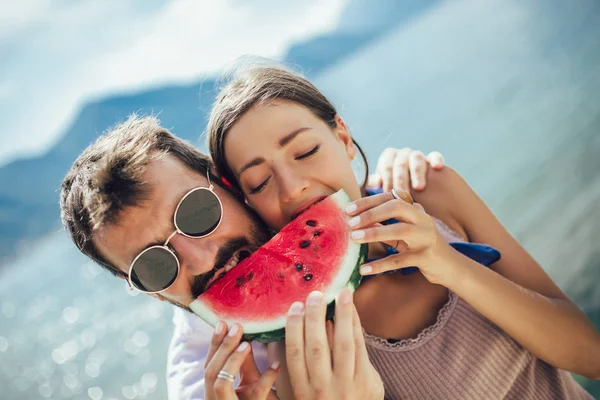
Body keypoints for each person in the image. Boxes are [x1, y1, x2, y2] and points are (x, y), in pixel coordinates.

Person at [205, 63, 600, 399]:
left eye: (306, 152)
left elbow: (591, 356)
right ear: (249, 204)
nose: (293, 188)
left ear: (342, 138)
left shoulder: (432, 191)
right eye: (258, 183)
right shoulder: (301, 339)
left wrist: (449, 265)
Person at [59, 116, 442, 399]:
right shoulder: (201, 387)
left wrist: (402, 174)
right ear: (150, 292)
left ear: (226, 184)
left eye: (196, 212)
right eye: (154, 265)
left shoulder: (393, 210)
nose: (203, 258)